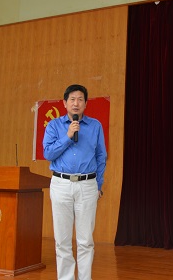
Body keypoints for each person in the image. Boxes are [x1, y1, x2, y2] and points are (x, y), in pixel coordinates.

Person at [43, 84, 107, 280]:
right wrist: (68, 136)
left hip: (87, 185)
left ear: (85, 103)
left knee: (85, 240)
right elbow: (48, 153)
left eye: (80, 99)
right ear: (64, 103)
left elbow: (101, 156)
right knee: (62, 240)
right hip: (61, 184)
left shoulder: (95, 126)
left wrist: (98, 185)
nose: (76, 103)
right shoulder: (54, 126)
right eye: (72, 99)